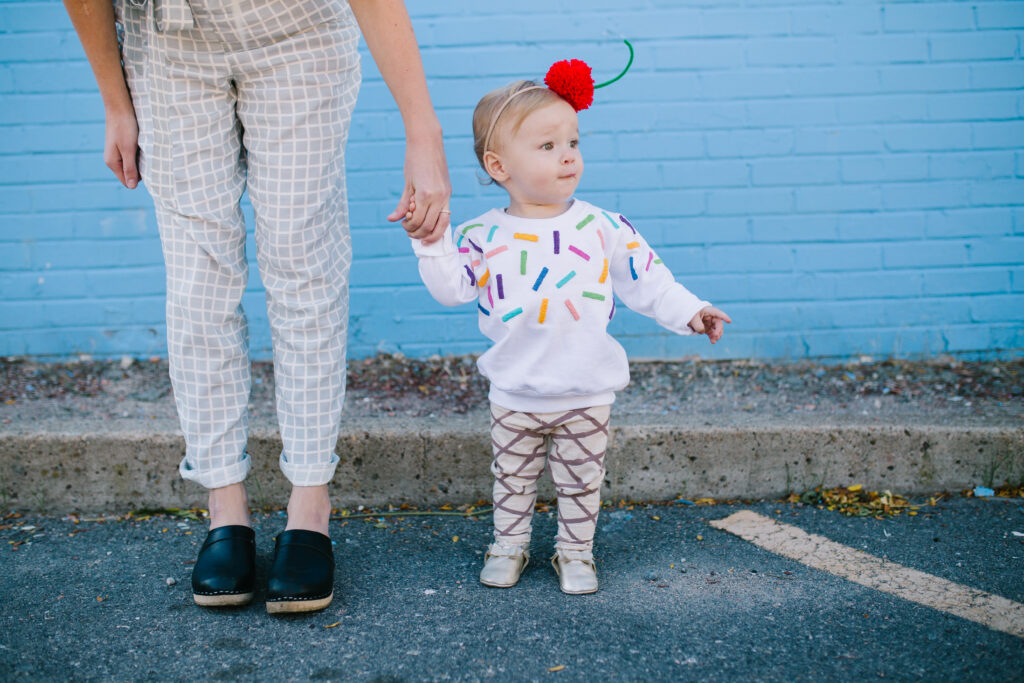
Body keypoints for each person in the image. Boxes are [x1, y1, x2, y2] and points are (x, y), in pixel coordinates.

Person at [62, 0, 451, 613]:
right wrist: (115, 100)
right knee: (197, 281)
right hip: (166, 43)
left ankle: (310, 508)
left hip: (295, 33)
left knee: (304, 265)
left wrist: (422, 131)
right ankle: (226, 509)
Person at [409, 68, 731, 594]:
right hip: (515, 390)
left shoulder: (603, 226)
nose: (568, 155)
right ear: (498, 165)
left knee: (581, 481)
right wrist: (431, 241)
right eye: (548, 145)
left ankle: (575, 553)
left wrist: (691, 310)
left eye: (573, 142)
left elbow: (649, 280)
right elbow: (451, 288)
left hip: (587, 389)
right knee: (511, 478)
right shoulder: (479, 236)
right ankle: (509, 545)